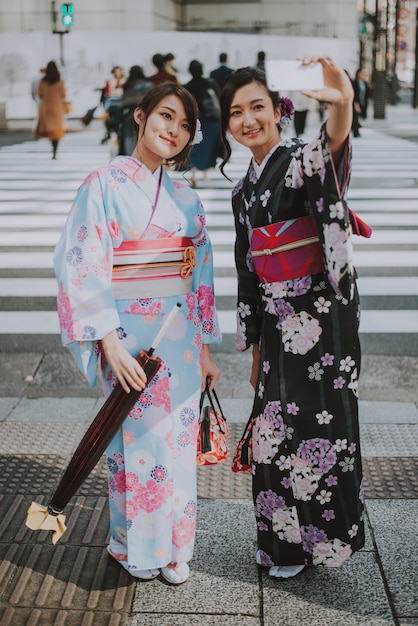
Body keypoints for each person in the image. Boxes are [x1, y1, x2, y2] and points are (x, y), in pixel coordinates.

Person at [53, 82, 221, 585]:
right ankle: (131, 543)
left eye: (185, 124)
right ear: (141, 117)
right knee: (132, 437)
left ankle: (174, 545)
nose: (174, 130)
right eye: (166, 116)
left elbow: (200, 273)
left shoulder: (187, 199)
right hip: (126, 335)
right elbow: (82, 262)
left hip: (180, 338)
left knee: (177, 441)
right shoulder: (102, 184)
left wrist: (206, 349)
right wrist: (106, 341)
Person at [219, 58, 366, 579]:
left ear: (279, 111)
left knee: (319, 433)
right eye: (235, 112)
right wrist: (256, 347)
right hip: (278, 327)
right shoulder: (241, 192)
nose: (246, 120)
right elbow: (248, 270)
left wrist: (342, 102)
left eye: (257, 106)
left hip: (319, 323)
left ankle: (324, 545)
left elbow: (332, 148)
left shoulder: (301, 162)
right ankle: (282, 547)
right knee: (270, 438)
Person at [183, 59, 221, 187]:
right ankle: (205, 174)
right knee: (209, 146)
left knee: (193, 146)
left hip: (194, 119)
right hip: (211, 119)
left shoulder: (187, 87)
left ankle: (193, 173)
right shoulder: (210, 84)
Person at [33, 61, 67, 159]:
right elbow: (63, 95)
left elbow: (39, 94)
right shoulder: (60, 81)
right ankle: (55, 150)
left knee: (49, 129)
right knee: (56, 131)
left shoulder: (42, 81)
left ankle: (52, 148)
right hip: (57, 107)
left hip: (45, 107)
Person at [118, 65, 152, 155]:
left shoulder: (127, 86)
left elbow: (123, 103)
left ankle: (131, 160)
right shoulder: (148, 85)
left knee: (129, 138)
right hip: (146, 114)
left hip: (130, 115)